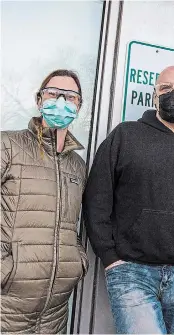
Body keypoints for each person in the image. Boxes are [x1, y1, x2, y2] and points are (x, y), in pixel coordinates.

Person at [83, 66, 174, 334]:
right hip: (131, 274)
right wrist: (110, 256)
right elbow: (97, 198)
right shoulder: (125, 136)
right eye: (165, 88)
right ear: (154, 96)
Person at [1, 69, 89, 333]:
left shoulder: (78, 166)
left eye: (70, 96)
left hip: (55, 310)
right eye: (53, 93)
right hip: (7, 303)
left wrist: (76, 262)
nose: (60, 101)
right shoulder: (8, 145)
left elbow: (72, 225)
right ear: (39, 101)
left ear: (79, 105)